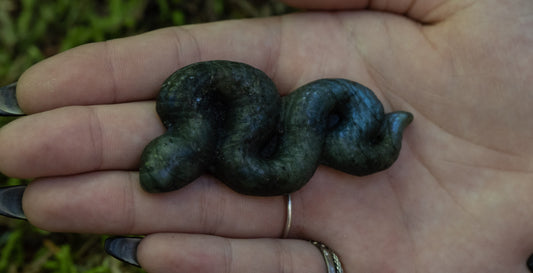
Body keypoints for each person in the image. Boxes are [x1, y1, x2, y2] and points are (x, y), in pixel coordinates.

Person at [0, 0, 532, 272]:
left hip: (320, 114)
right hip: (297, 129)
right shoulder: (187, 103)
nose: (160, 175)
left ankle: (376, 136)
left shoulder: (218, 126)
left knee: (322, 136)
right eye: (166, 171)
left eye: (163, 168)